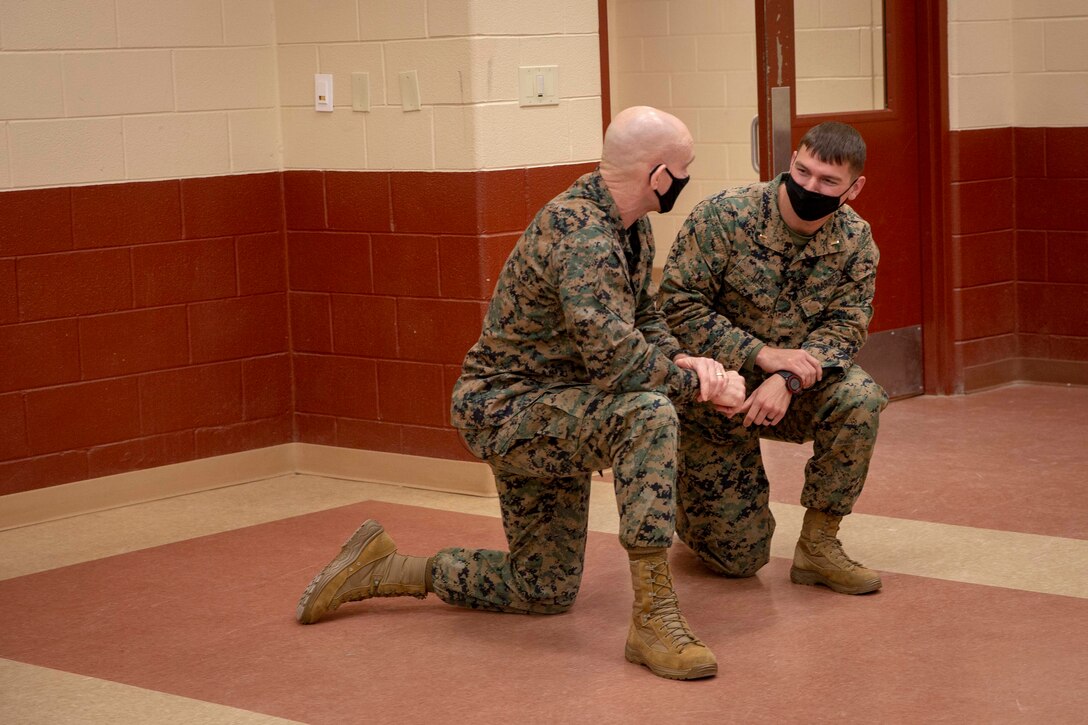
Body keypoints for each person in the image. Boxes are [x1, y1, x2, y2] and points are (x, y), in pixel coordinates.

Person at [295, 106, 746, 681]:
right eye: (683, 169)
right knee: (647, 413)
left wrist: (688, 360)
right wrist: (699, 388)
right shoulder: (584, 233)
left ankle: (389, 568)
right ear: (659, 176)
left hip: (561, 406)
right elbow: (614, 359)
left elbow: (641, 318)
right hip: (509, 410)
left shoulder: (630, 226)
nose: (684, 180)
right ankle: (654, 619)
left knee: (543, 589)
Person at [658, 121, 888, 596]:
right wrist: (758, 355)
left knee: (860, 397)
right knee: (737, 560)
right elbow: (677, 307)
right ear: (791, 163)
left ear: (854, 188)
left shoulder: (855, 241)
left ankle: (818, 547)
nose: (809, 187)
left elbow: (846, 327)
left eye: (828, 181)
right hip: (713, 394)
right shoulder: (725, 217)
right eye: (802, 171)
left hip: (787, 388)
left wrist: (786, 377)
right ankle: (691, 496)